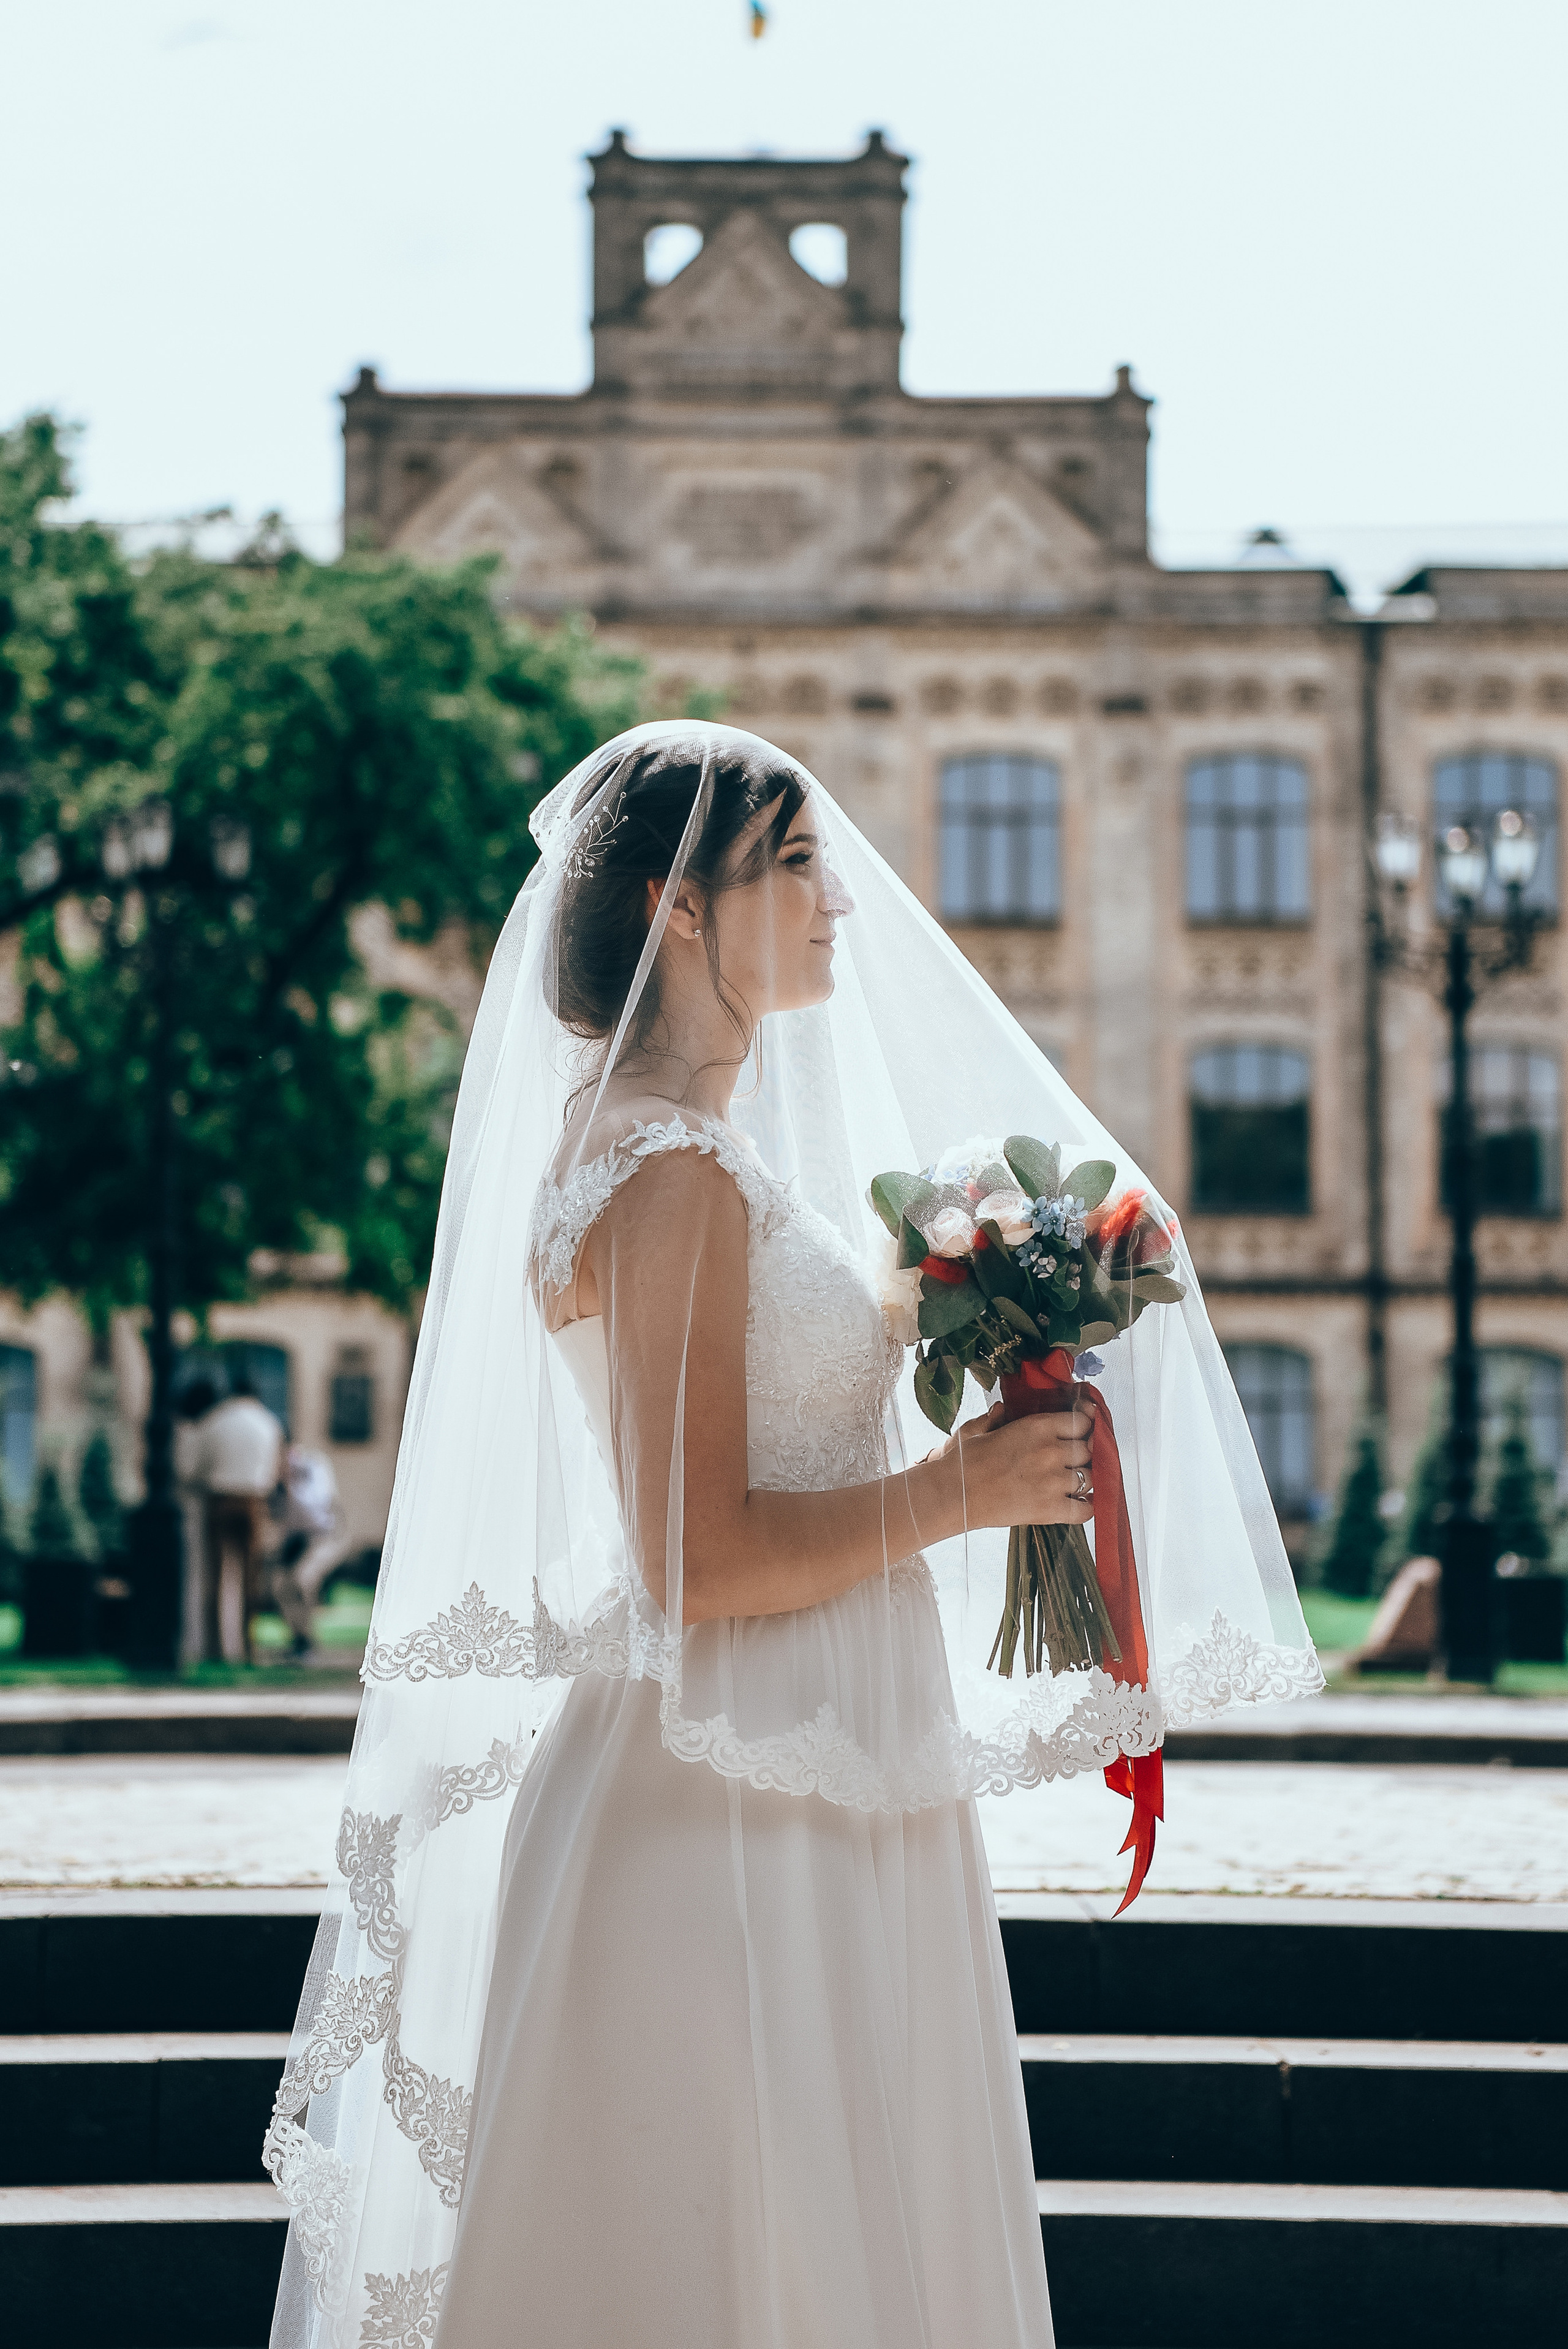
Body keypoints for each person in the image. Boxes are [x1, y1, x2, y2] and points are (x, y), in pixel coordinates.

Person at [263, 725, 1321, 2348]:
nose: (842, 901)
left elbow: (772, 1411)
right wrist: (963, 1494)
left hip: (809, 1771)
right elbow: (700, 1560)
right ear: (683, 910)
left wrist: (975, 1299)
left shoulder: (685, 1153)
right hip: (734, 1802)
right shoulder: (668, 1172)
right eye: (801, 865)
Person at [191, 1371, 284, 1665]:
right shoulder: (268, 1422)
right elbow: (275, 1469)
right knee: (251, 1576)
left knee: (215, 1575)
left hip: (219, 1499)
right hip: (253, 1501)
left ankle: (214, 1646)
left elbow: (197, 1469)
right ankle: (248, 1646)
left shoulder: (214, 1421)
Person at [270, 1443, 352, 1658]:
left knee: (303, 1579)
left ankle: (308, 1641)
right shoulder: (276, 1481)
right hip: (297, 1540)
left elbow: (317, 1506)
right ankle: (300, 1639)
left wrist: (289, 1484)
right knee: (280, 1587)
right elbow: (280, 1519)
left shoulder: (312, 1467)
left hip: (326, 1535)